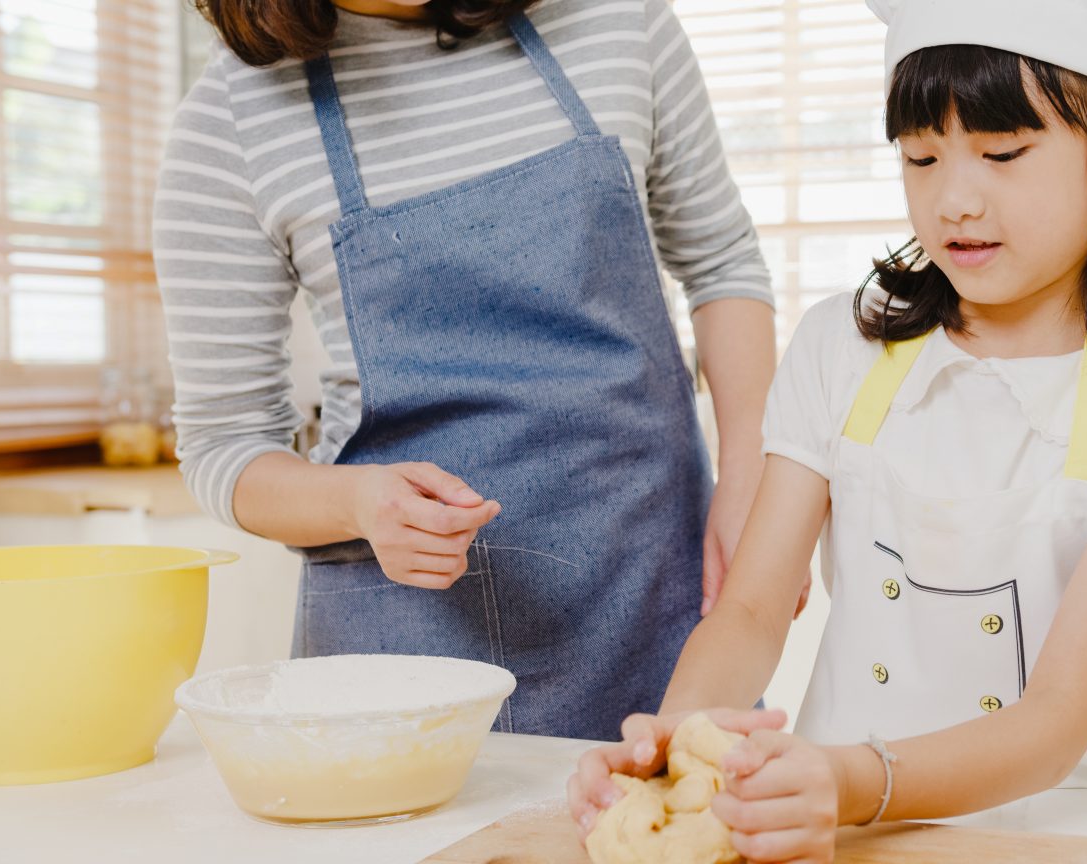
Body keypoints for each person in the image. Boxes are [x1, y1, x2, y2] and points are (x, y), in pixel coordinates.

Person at [567, 0, 1087, 859]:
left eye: (1004, 153)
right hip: (824, 830)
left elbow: (1056, 724)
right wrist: (669, 746)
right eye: (921, 156)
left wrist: (850, 782)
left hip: (1056, 837)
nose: (954, 200)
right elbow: (749, 609)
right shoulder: (839, 346)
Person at [153, 0, 790, 741]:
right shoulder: (230, 121)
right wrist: (357, 502)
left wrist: (751, 477)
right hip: (402, 655)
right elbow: (223, 446)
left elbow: (721, 262)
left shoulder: (615, 16)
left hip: (656, 598)